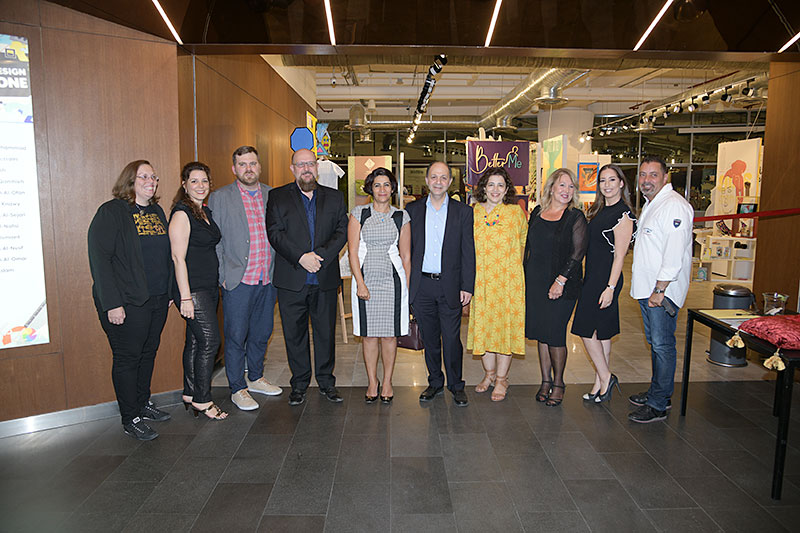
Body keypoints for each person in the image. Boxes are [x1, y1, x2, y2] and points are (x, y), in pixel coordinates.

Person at [88, 160, 172, 441]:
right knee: (127, 358)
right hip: (126, 301)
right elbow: (100, 260)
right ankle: (130, 417)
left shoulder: (157, 211)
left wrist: (168, 291)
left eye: (153, 177)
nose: (151, 181)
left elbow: (164, 256)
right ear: (129, 181)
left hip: (156, 299)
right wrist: (112, 303)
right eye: (143, 176)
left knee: (148, 353)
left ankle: (142, 403)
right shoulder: (111, 212)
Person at [266, 148, 348, 406]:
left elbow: (342, 231)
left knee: (326, 334)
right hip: (292, 278)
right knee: (294, 335)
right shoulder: (277, 196)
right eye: (300, 165)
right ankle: (299, 384)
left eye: (310, 164)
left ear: (317, 167)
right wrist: (301, 257)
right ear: (292, 169)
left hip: (324, 278)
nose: (306, 169)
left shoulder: (335, 197)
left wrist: (319, 256)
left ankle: (326, 382)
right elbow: (275, 232)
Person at [208, 146, 282, 412]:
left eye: (252, 163)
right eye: (242, 164)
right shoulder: (219, 198)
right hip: (238, 281)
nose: (248, 169)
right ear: (234, 169)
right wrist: (223, 276)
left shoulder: (273, 195)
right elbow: (214, 241)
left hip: (267, 279)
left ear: (259, 166)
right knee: (236, 336)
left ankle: (256, 377)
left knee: (262, 333)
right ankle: (237, 388)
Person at [628, 155, 694, 423]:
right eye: (643, 175)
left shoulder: (674, 206)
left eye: (653, 175)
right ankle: (658, 392)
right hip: (648, 290)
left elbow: (674, 253)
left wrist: (660, 289)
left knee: (663, 345)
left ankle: (658, 404)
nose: (647, 180)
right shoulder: (653, 204)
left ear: (666, 177)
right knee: (655, 344)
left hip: (661, 292)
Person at [406, 161, 476, 406]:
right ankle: (435, 382)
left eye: (443, 177)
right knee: (430, 339)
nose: (438, 182)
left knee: (452, 339)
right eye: (434, 177)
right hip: (422, 286)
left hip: (451, 286)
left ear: (450, 181)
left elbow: (468, 251)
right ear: (427, 180)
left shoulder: (463, 211)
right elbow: (406, 250)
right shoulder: (412, 210)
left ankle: (456, 385)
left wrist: (467, 286)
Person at [571, 164, 635, 403]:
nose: (607, 185)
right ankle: (600, 384)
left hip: (606, 280)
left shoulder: (623, 214)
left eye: (612, 180)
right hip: (593, 276)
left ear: (621, 183)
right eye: (603, 181)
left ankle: (607, 377)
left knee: (584, 328)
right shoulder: (599, 210)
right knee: (602, 333)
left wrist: (610, 288)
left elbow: (619, 256)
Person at [524, 168, 587, 407]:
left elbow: (578, 253)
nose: (566, 190)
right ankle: (545, 381)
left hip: (563, 284)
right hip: (535, 282)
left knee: (555, 333)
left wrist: (560, 281)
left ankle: (559, 383)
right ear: (551, 188)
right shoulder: (537, 212)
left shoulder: (575, 217)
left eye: (571, 186)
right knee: (542, 334)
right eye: (562, 185)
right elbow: (529, 247)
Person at [169, 161, 227, 420]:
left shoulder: (203, 211)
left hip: (208, 286)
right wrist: (185, 297)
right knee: (210, 342)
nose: (200, 185)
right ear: (184, 185)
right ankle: (203, 400)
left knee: (195, 340)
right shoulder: (182, 214)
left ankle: (190, 393)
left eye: (204, 181)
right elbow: (177, 258)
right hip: (192, 289)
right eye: (194, 181)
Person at [347, 167, 411, 404]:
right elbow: (352, 252)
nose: (382, 189)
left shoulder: (401, 216)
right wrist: (360, 284)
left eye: (386, 185)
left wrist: (407, 289)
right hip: (365, 279)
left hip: (393, 282)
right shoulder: (359, 214)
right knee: (369, 335)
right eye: (377, 185)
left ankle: (387, 382)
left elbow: (406, 256)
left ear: (392, 188)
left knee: (390, 336)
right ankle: (372, 381)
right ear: (370, 189)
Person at [467, 167, 526, 402]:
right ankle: (489, 374)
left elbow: (523, 243)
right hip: (481, 282)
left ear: (507, 189)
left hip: (508, 283)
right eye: (490, 184)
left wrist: (516, 272)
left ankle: (502, 379)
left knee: (505, 330)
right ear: (483, 187)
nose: (495, 189)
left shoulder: (515, 212)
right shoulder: (473, 212)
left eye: (500, 185)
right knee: (484, 329)